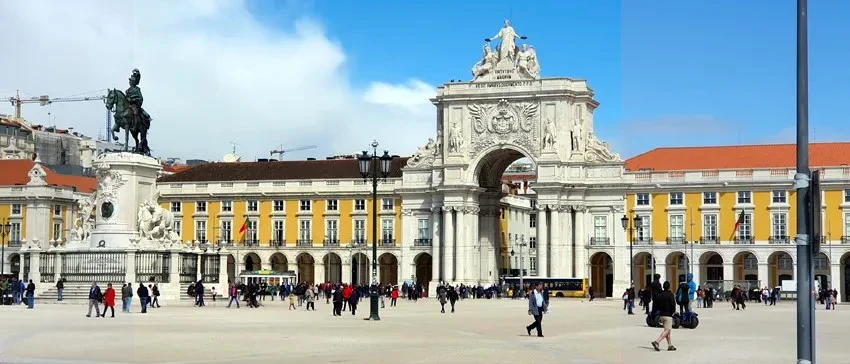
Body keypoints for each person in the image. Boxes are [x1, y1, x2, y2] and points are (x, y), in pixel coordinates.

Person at [651, 281, 677, 351]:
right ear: (669, 287)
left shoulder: (660, 295)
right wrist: (673, 311)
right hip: (668, 315)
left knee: (667, 331)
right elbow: (673, 304)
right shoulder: (670, 295)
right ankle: (657, 342)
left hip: (661, 315)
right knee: (667, 330)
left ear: (663, 287)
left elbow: (656, 302)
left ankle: (670, 345)